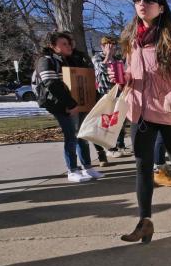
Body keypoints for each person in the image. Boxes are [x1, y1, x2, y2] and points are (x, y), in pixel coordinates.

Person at [113, 0, 171, 243]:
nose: (142, 2)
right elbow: (135, 74)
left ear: (160, 7)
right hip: (139, 112)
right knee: (142, 168)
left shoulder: (170, 39)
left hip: (168, 113)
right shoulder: (132, 40)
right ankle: (144, 222)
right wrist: (123, 78)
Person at [34, 31, 104, 183]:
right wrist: (70, 104)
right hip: (61, 106)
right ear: (52, 46)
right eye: (63, 44)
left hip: (76, 105)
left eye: (69, 43)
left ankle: (87, 167)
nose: (68, 46)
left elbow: (84, 79)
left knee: (82, 135)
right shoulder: (45, 60)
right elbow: (51, 84)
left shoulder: (72, 60)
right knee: (71, 136)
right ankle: (72, 170)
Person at [63, 32, 111, 168]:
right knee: (75, 134)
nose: (70, 44)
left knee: (89, 129)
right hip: (69, 101)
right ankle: (74, 166)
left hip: (86, 97)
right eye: (65, 42)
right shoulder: (59, 59)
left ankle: (96, 157)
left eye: (71, 41)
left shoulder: (81, 56)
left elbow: (92, 74)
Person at [92, 35, 129, 158]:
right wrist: (107, 55)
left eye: (113, 46)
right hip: (105, 94)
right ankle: (110, 148)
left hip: (118, 92)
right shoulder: (97, 58)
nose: (111, 48)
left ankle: (121, 145)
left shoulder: (118, 59)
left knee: (120, 121)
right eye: (108, 46)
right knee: (107, 121)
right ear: (102, 46)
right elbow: (100, 69)